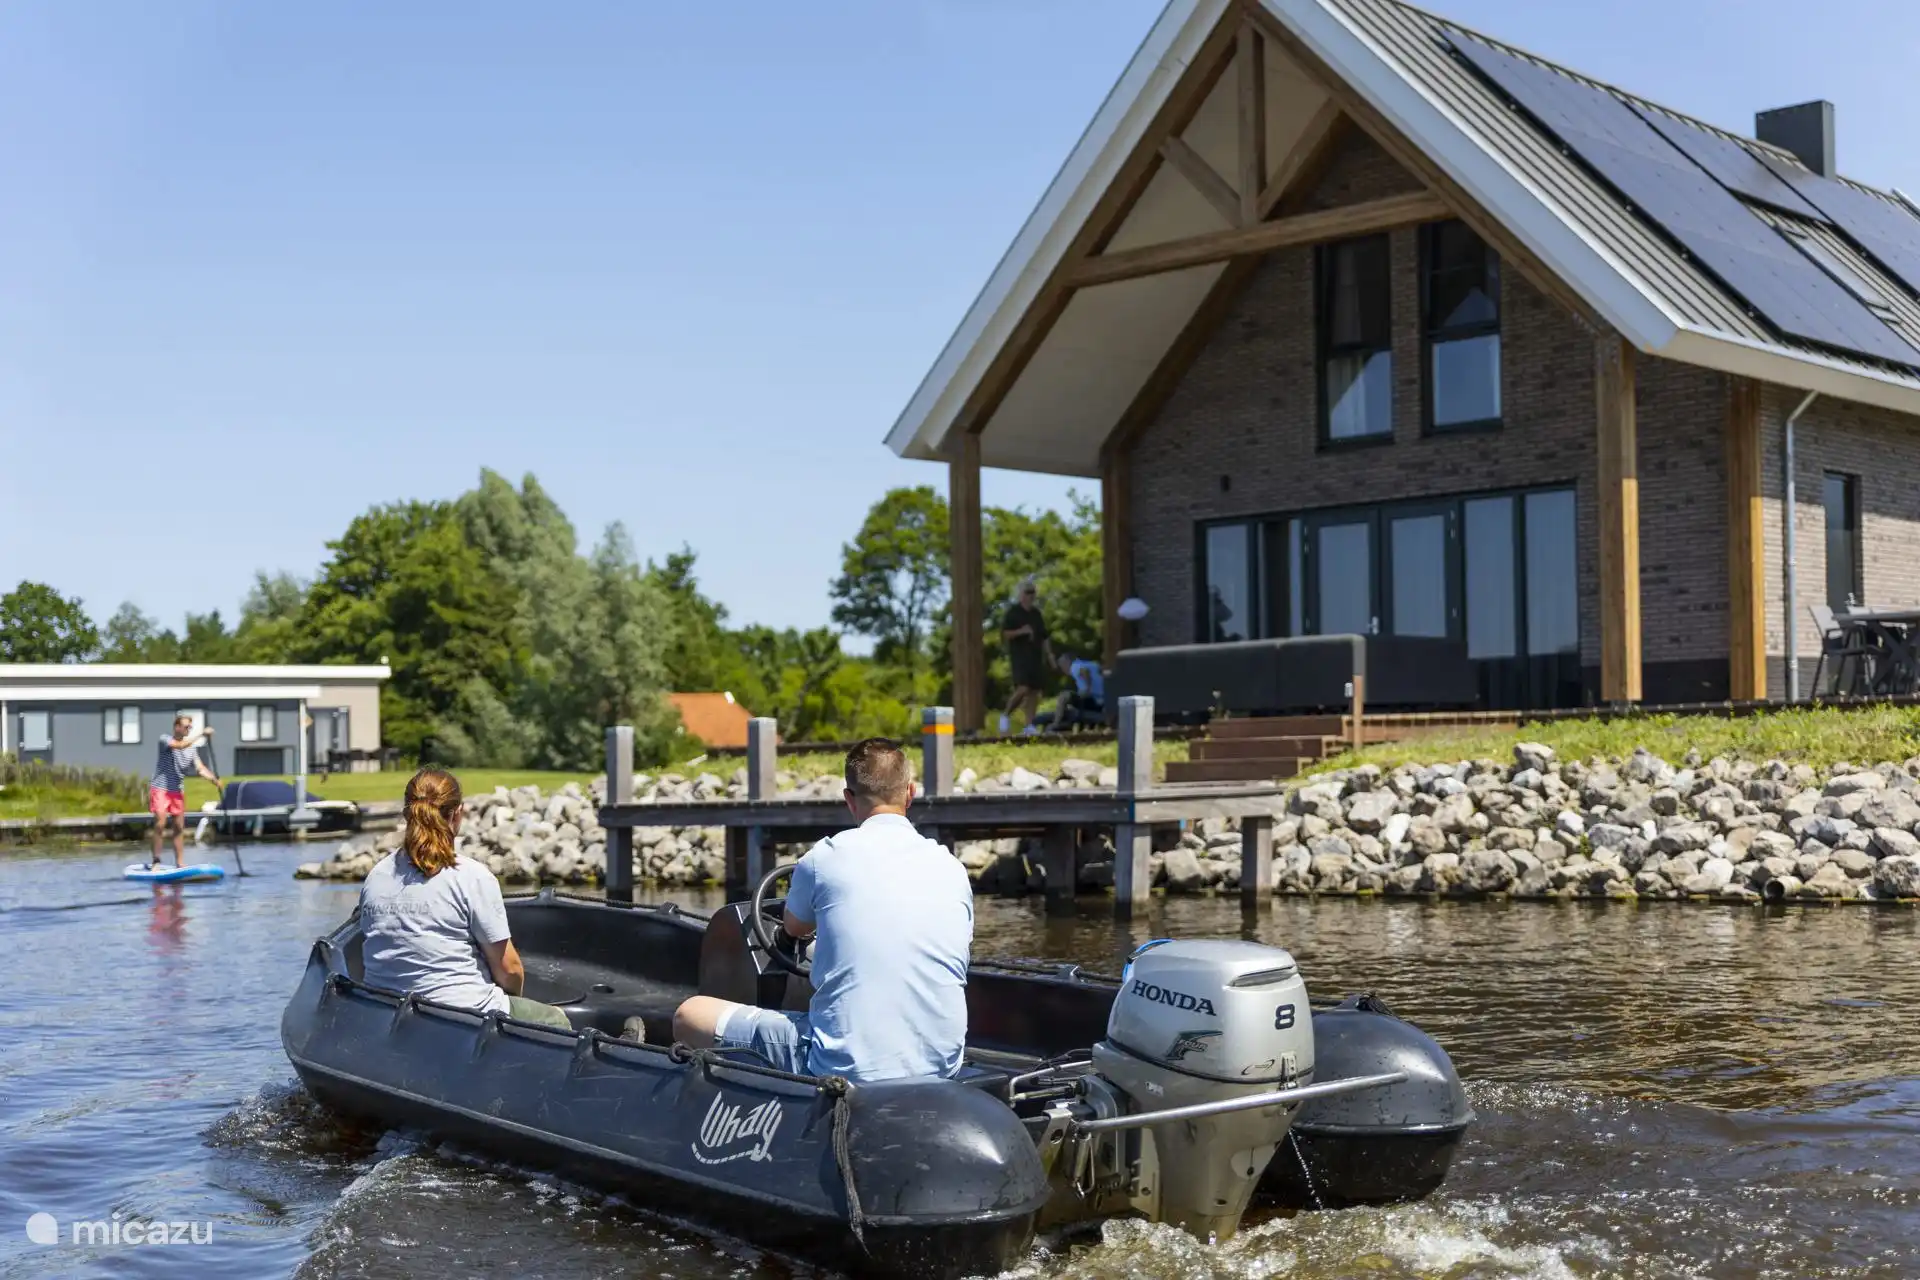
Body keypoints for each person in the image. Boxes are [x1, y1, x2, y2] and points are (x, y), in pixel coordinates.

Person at [672, 738, 973, 1084]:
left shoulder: (825, 857)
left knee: (690, 1014)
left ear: (849, 799)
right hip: (943, 1062)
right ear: (910, 792)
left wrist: (792, 936)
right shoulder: (951, 867)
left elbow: (793, 928)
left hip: (843, 1066)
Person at [357, 767, 573, 1030]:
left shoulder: (377, 876)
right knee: (555, 1019)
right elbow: (510, 971)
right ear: (458, 813)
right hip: (463, 1017)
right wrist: (512, 1002)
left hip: (385, 1013)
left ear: (407, 814)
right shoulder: (471, 877)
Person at [150, 716, 221, 869]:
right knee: (160, 822)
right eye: (186, 726)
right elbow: (180, 746)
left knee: (178, 827)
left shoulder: (191, 750)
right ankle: (156, 860)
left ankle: (180, 863)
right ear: (177, 727)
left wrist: (214, 780)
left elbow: (200, 769)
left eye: (190, 727)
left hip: (177, 790)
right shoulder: (165, 739)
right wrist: (202, 734)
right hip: (160, 788)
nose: (188, 729)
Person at [998, 578, 1052, 735]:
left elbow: (1044, 636)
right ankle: (1005, 715)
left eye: (1033, 592)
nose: (1031, 595)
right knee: (1023, 688)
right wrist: (1021, 631)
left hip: (1036, 657)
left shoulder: (1036, 614)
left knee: (1034, 692)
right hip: (1020, 658)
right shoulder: (1013, 613)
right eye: (1028, 592)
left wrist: (1050, 656)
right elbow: (1005, 634)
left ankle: (1029, 725)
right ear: (1020, 594)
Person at [1048, 651, 1106, 729]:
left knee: (1064, 696)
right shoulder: (1092, 664)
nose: (1063, 669)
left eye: (1062, 666)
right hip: (1101, 701)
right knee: (1074, 702)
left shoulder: (1075, 666)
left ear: (1067, 662)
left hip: (1091, 698)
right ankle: (1071, 724)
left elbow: (1084, 671)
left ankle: (1056, 723)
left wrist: (1088, 688)